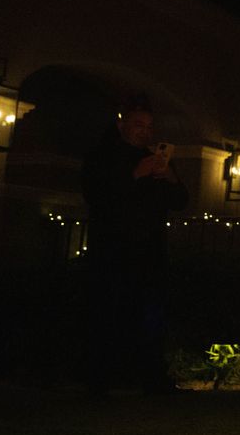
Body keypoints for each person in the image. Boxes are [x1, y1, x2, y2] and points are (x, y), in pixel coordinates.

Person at [80, 94, 188, 395]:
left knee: (150, 316)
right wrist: (134, 174)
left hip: (150, 252)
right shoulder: (103, 156)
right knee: (110, 313)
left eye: (150, 126)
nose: (145, 131)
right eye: (139, 124)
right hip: (113, 251)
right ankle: (103, 378)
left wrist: (169, 178)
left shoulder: (157, 159)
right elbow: (97, 196)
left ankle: (151, 377)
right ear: (123, 123)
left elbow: (181, 201)